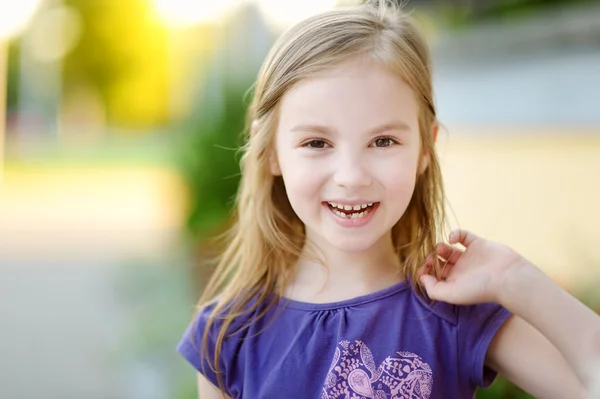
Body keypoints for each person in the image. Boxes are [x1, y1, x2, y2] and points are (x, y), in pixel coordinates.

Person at [177, 1, 600, 398]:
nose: (352, 177)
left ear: (423, 150)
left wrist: (516, 278)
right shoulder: (226, 334)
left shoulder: (456, 315)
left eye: (382, 141)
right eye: (317, 142)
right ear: (270, 152)